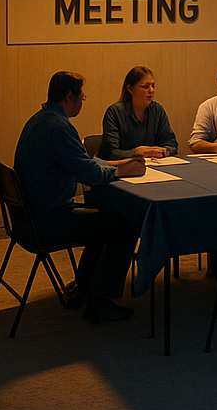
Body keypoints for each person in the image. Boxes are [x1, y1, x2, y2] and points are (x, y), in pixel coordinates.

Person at [13, 71, 146, 323]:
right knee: (123, 225)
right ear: (69, 96)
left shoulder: (41, 119)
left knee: (103, 221)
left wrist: (117, 163)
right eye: (81, 95)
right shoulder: (59, 128)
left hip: (28, 218)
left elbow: (81, 162)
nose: (84, 98)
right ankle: (100, 299)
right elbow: (88, 174)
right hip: (48, 220)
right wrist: (121, 170)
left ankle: (85, 286)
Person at [100, 65, 179, 161]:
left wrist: (164, 151)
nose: (151, 90)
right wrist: (136, 153)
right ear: (130, 89)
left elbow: (171, 143)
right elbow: (110, 152)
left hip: (155, 166)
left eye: (153, 86)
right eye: (145, 86)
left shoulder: (157, 110)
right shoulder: (115, 112)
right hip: (125, 169)